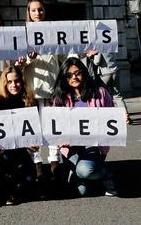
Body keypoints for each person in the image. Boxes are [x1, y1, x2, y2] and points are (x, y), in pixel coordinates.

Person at [50, 57, 118, 197]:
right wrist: (60, 140)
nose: (73, 77)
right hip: (72, 150)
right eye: (69, 75)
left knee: (84, 171)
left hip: (93, 147)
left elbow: (111, 118)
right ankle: (91, 176)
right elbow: (55, 128)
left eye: (77, 73)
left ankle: (105, 175)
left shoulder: (100, 93)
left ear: (84, 73)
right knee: (82, 191)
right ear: (64, 78)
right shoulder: (60, 98)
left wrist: (120, 118)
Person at [20, 0, 63, 188]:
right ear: (28, 13)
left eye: (40, 10)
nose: (38, 13)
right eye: (34, 10)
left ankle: (55, 167)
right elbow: (15, 64)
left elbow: (64, 55)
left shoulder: (54, 33)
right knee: (33, 132)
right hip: (32, 91)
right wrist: (28, 59)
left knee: (54, 130)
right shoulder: (22, 35)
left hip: (52, 90)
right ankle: (37, 168)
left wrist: (83, 52)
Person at [0, 66, 38, 205]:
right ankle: (4, 190)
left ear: (22, 81)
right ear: (4, 83)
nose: (14, 85)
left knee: (29, 183)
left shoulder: (29, 102)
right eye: (10, 82)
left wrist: (33, 143)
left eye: (17, 81)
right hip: (3, 153)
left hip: (21, 152)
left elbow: (34, 131)